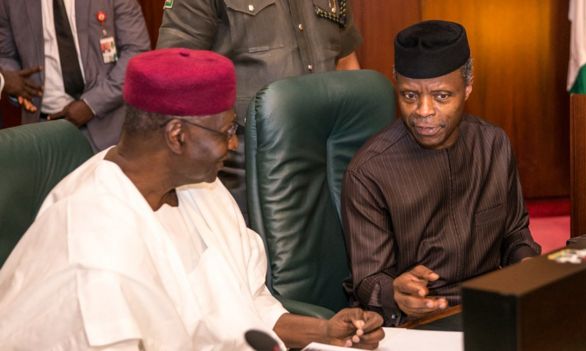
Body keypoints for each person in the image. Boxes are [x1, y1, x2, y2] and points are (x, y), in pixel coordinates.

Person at [0, 48, 384, 350]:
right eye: (226, 131)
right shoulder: (92, 241)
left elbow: (250, 314)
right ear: (177, 134)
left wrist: (324, 331)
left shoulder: (203, 188)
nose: (233, 145)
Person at [341, 20, 541, 326]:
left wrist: (528, 265)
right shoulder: (369, 172)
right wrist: (395, 291)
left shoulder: (494, 144)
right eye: (409, 96)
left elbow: (515, 234)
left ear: (468, 86)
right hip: (416, 321)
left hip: (491, 304)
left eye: (441, 96)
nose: (423, 111)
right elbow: (368, 277)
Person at [157, 0, 362, 219]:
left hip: (326, 161)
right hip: (244, 169)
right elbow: (173, 73)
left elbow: (346, 62)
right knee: (253, 252)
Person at [0, 0, 150, 151]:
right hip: (43, 131)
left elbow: (136, 52)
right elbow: (6, 55)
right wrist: (16, 85)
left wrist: (91, 105)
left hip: (108, 127)